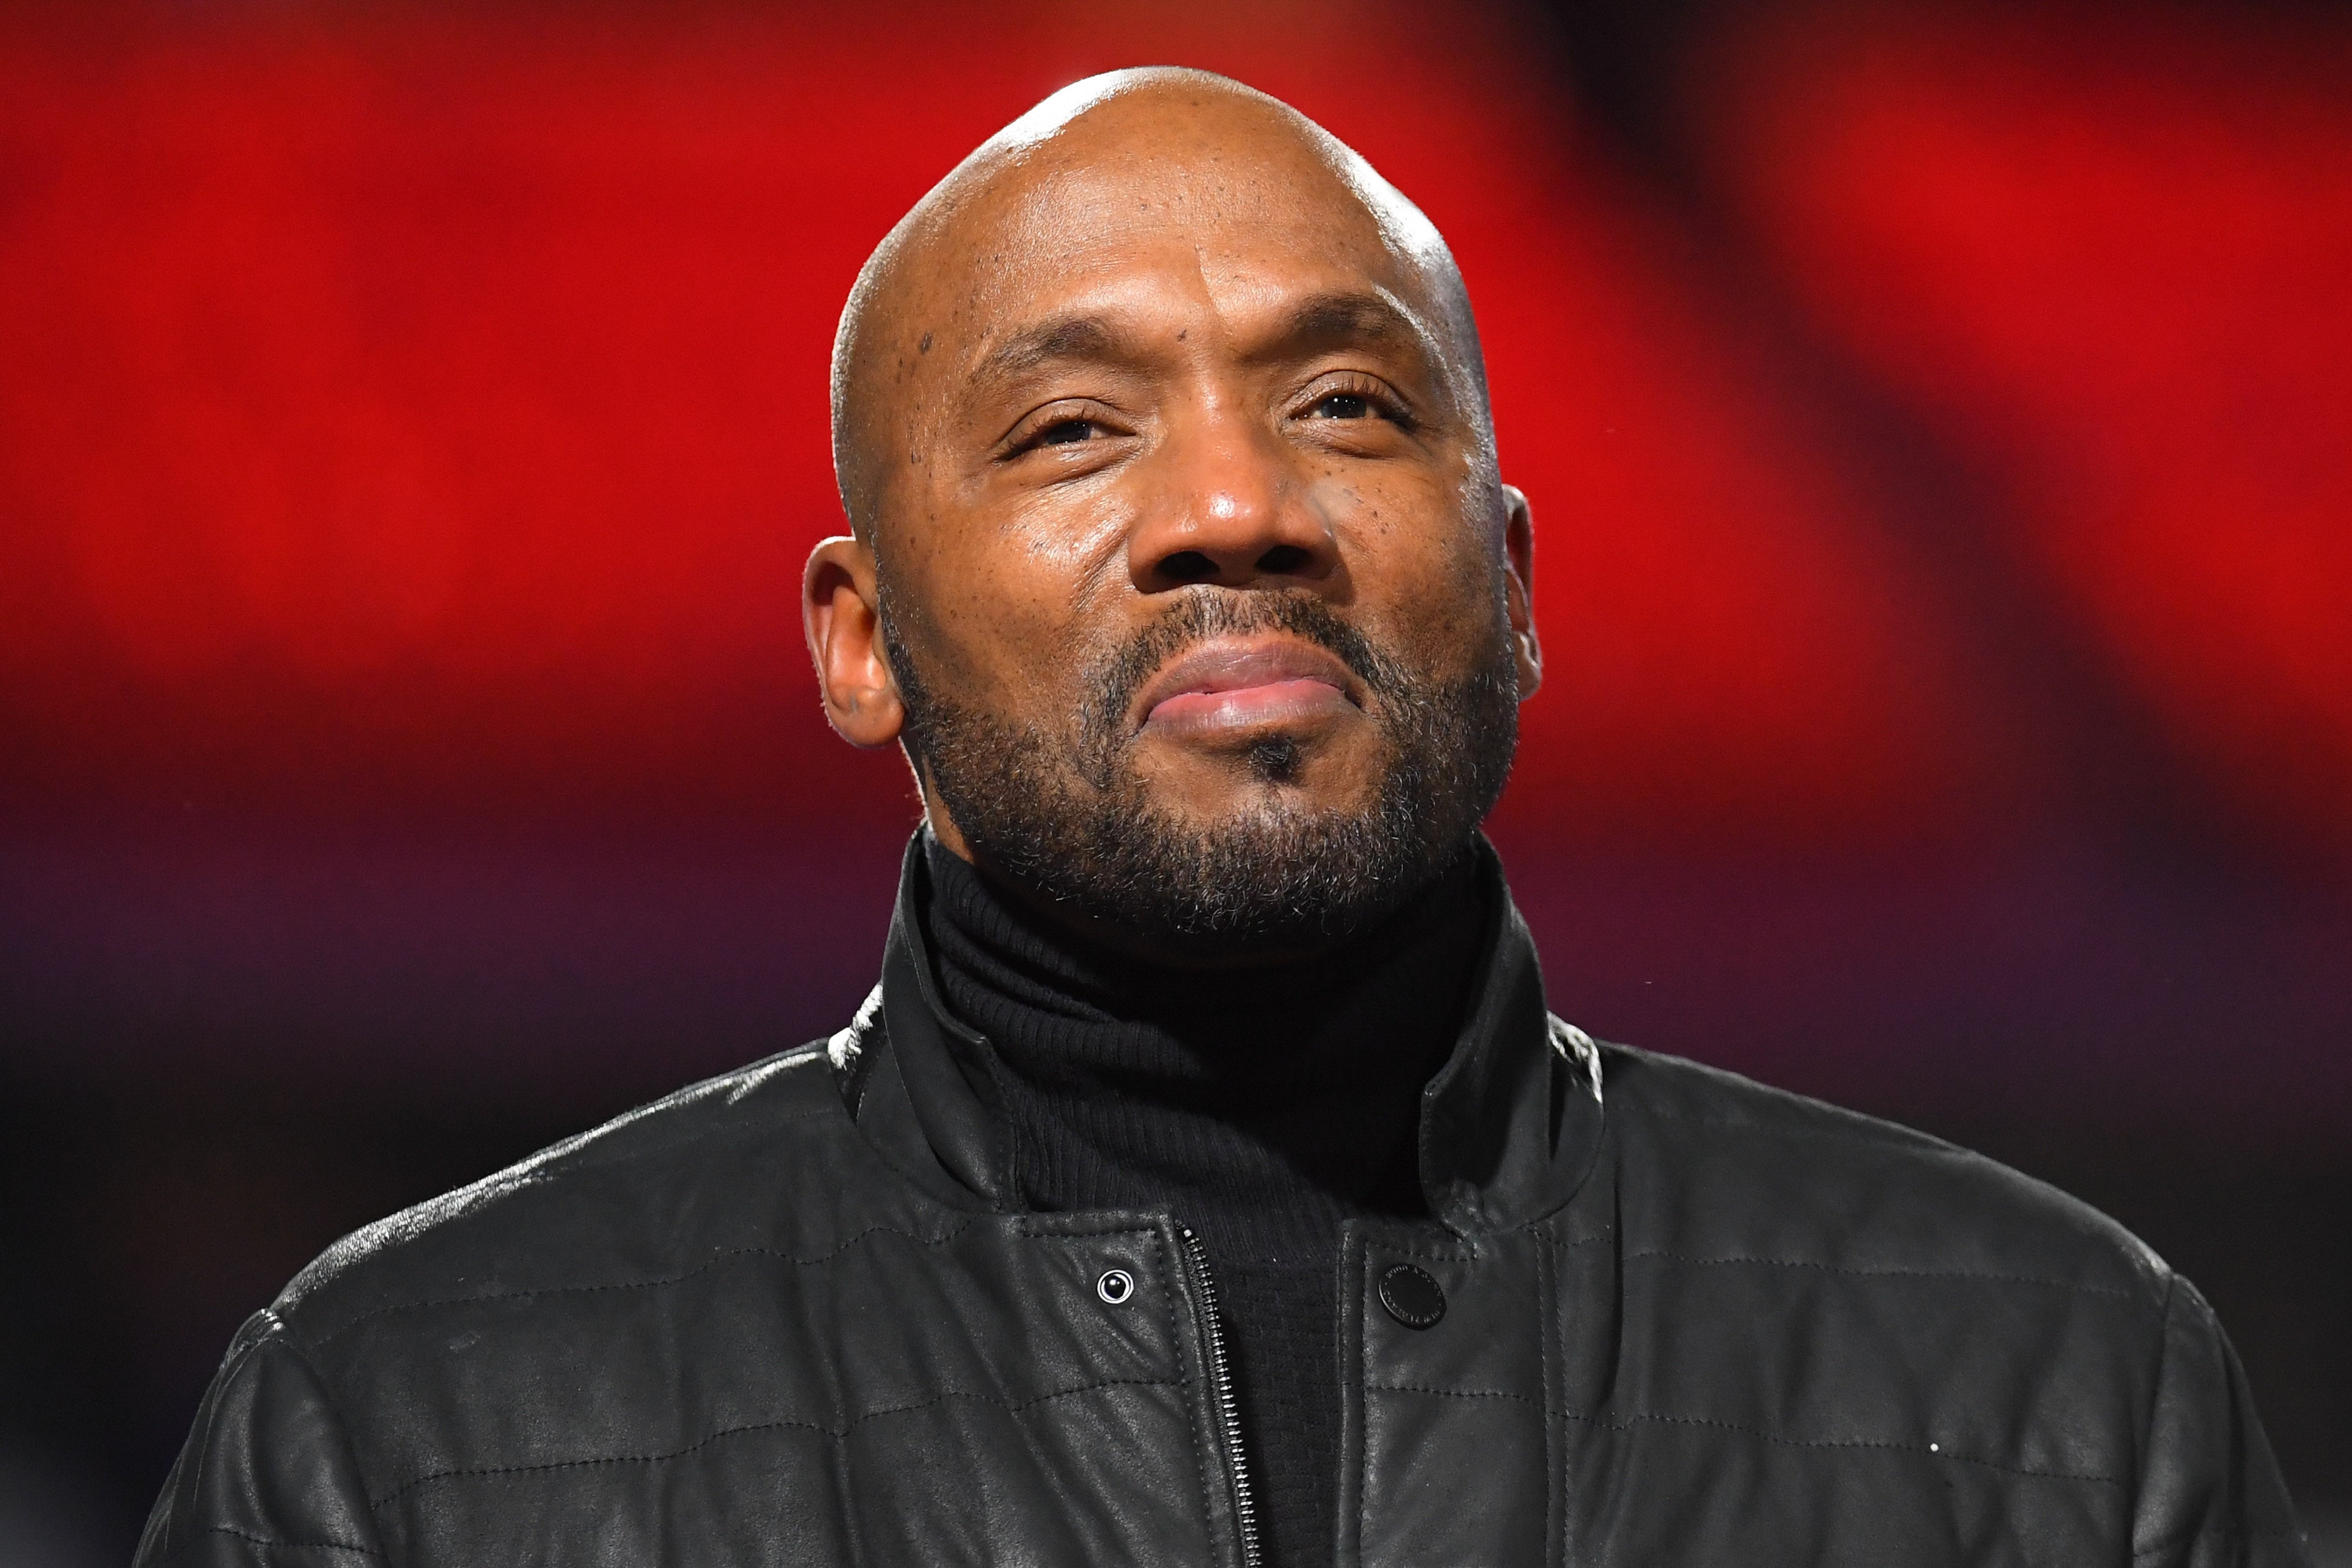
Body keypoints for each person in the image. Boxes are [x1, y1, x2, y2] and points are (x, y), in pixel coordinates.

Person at [137, 68, 2309, 1568]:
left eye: (1346, 404)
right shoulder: (398, 1434)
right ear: (858, 638)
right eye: (1073, 427)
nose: (1235, 509)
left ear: (1518, 583)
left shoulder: (2055, 1393)